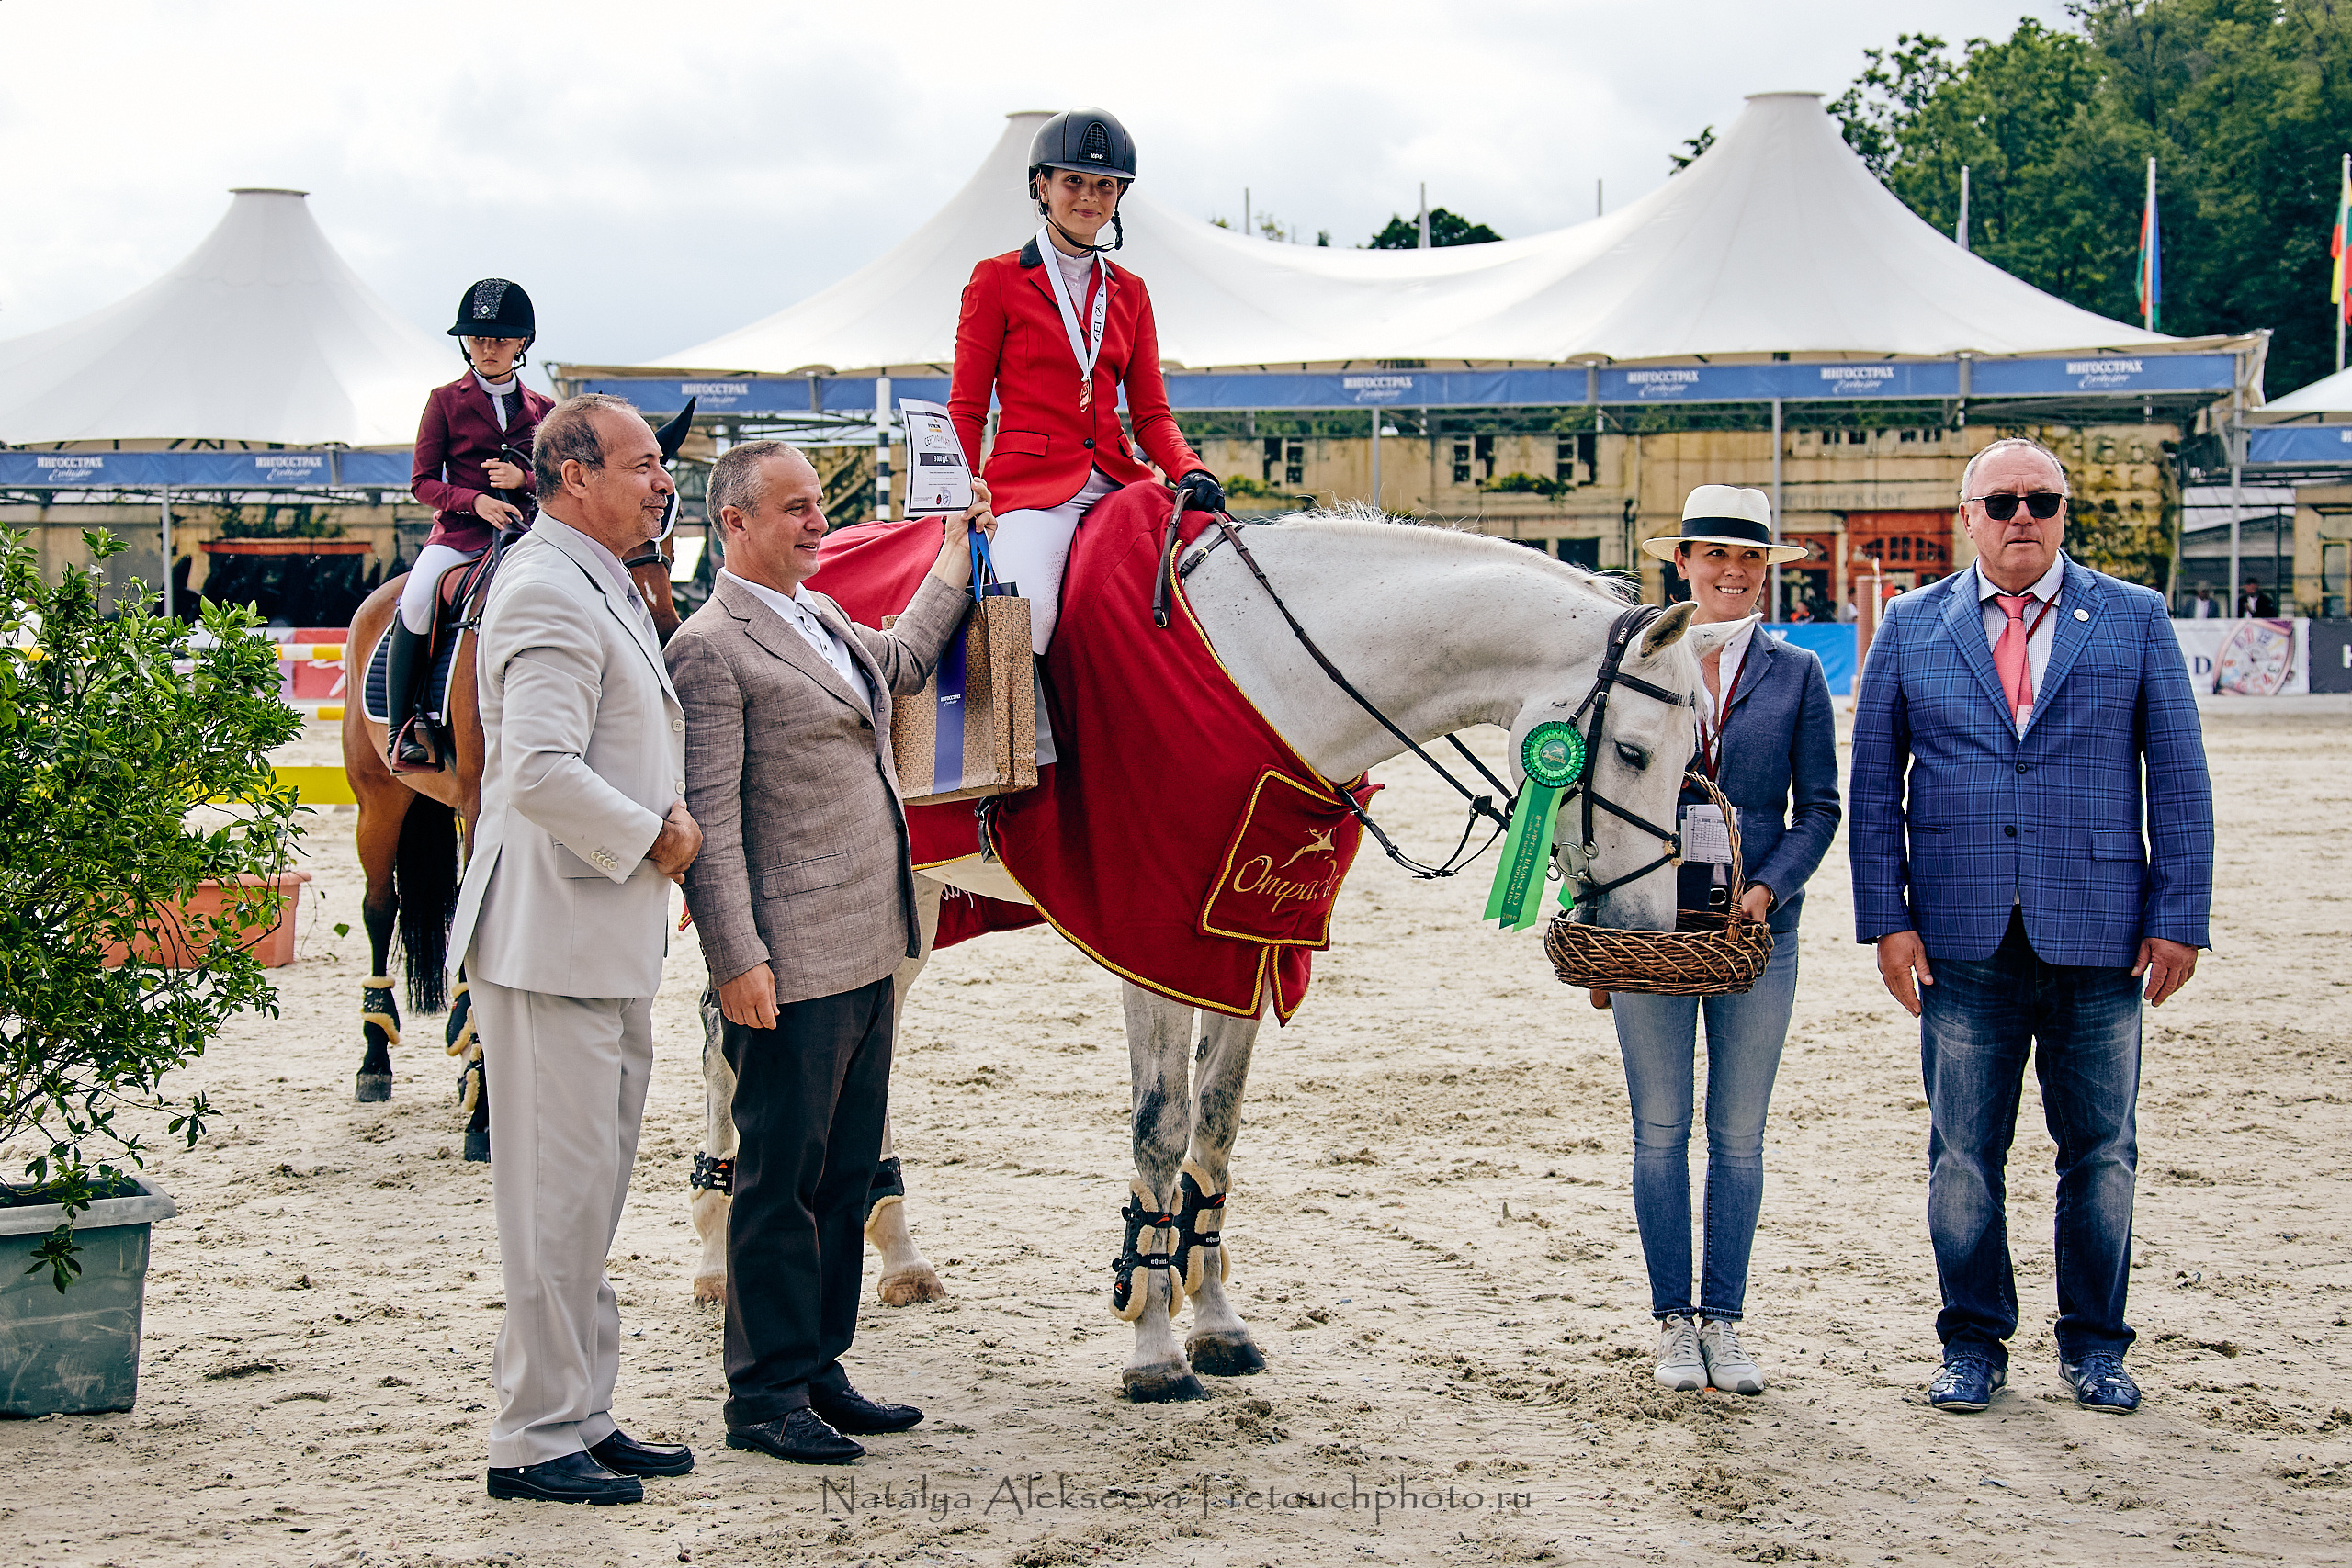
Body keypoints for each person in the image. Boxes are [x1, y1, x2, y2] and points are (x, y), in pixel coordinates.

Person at [1850, 436, 2213, 1417]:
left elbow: (2177, 778)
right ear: (1963, 515)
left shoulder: (2132, 619)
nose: (2022, 518)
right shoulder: (1908, 624)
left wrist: (2178, 915)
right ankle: (1971, 1342)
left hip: (2101, 934)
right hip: (1959, 936)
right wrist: (1886, 918)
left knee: (2100, 1153)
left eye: (2040, 502)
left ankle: (2095, 1345)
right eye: (2001, 501)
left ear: (2063, 513)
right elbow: (1874, 785)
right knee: (1962, 1154)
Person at [667, 441, 996, 1466]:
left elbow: (901, 664)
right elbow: (708, 823)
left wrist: (954, 545)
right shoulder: (710, 646)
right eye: (797, 509)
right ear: (734, 522)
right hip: (789, 957)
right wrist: (735, 960)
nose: (819, 522)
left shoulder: (818, 616)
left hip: (870, 941)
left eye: (819, 506)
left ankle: (817, 1366)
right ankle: (761, 1396)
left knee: (846, 1174)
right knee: (781, 1179)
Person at [447, 393, 704, 1504]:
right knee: (555, 1199)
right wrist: (658, 836)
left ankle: (582, 1411)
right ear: (570, 477)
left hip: (602, 935)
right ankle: (533, 1437)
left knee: (588, 1193)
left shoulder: (603, 578)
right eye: (644, 465)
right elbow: (539, 770)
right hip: (549, 935)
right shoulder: (547, 585)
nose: (662, 482)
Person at [1597, 487, 1840, 1397]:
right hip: (1648, 934)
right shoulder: (1631, 659)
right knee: (1659, 1133)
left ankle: (1725, 1322)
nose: (1731, 572)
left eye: (1748, 560)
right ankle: (1673, 1322)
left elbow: (1820, 806)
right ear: (1683, 563)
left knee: (1737, 1137)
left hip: (1756, 938)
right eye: (1714, 556)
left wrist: (1771, 885)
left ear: (1765, 573)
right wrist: (1599, 911)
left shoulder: (1797, 675)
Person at [947, 106, 1225, 653]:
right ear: (1042, 186)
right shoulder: (996, 279)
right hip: (1032, 488)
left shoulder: (1132, 291)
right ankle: (1034, 740)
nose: (1089, 198)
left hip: (1119, 479)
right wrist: (961, 490)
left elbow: (1150, 414)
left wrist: (1189, 470)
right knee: (1027, 619)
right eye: (1073, 181)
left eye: (1105, 186)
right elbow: (967, 408)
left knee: (1204, 578)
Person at [394, 278, 553, 771]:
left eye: (499, 340)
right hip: (461, 537)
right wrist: (476, 501)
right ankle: (406, 727)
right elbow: (421, 482)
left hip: (527, 537)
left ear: (520, 344)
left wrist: (523, 478)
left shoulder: (545, 410)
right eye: (478, 339)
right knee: (417, 599)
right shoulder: (444, 401)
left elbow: (559, 482)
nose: (487, 348)